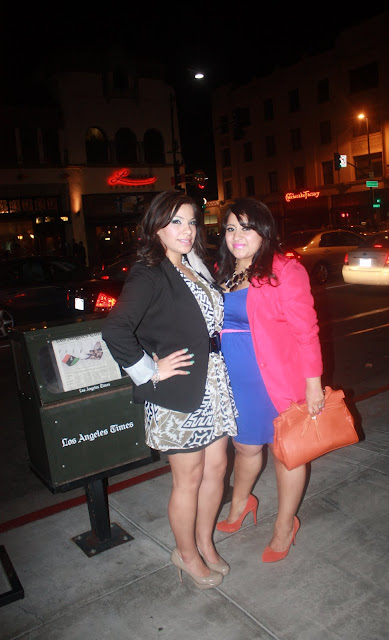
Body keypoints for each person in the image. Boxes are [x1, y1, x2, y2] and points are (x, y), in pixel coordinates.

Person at [102, 191, 238, 589]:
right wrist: (149, 370)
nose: (187, 230)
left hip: (212, 384)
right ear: (156, 226)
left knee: (217, 469)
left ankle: (204, 542)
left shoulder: (193, 265)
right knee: (189, 479)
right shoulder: (150, 272)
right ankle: (185, 553)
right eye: (176, 221)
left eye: (192, 221)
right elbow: (115, 330)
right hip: (178, 390)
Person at [215, 198, 324, 562]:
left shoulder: (285, 270)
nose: (237, 236)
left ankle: (285, 525)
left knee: (286, 454)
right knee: (245, 447)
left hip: (276, 380)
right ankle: (241, 503)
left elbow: (306, 331)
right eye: (231, 228)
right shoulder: (222, 272)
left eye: (246, 228)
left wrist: (313, 384)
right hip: (235, 381)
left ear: (264, 231)